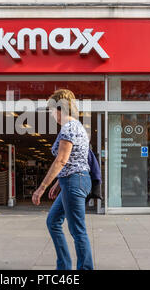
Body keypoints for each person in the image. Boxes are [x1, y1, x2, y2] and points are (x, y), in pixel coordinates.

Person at [32, 89, 94, 270]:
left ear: (60, 109)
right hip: (72, 180)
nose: (51, 115)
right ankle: (64, 266)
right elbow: (75, 159)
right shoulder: (77, 126)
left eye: (52, 110)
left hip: (75, 181)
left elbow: (61, 160)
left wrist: (41, 188)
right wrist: (59, 182)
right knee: (53, 221)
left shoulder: (69, 128)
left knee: (77, 231)